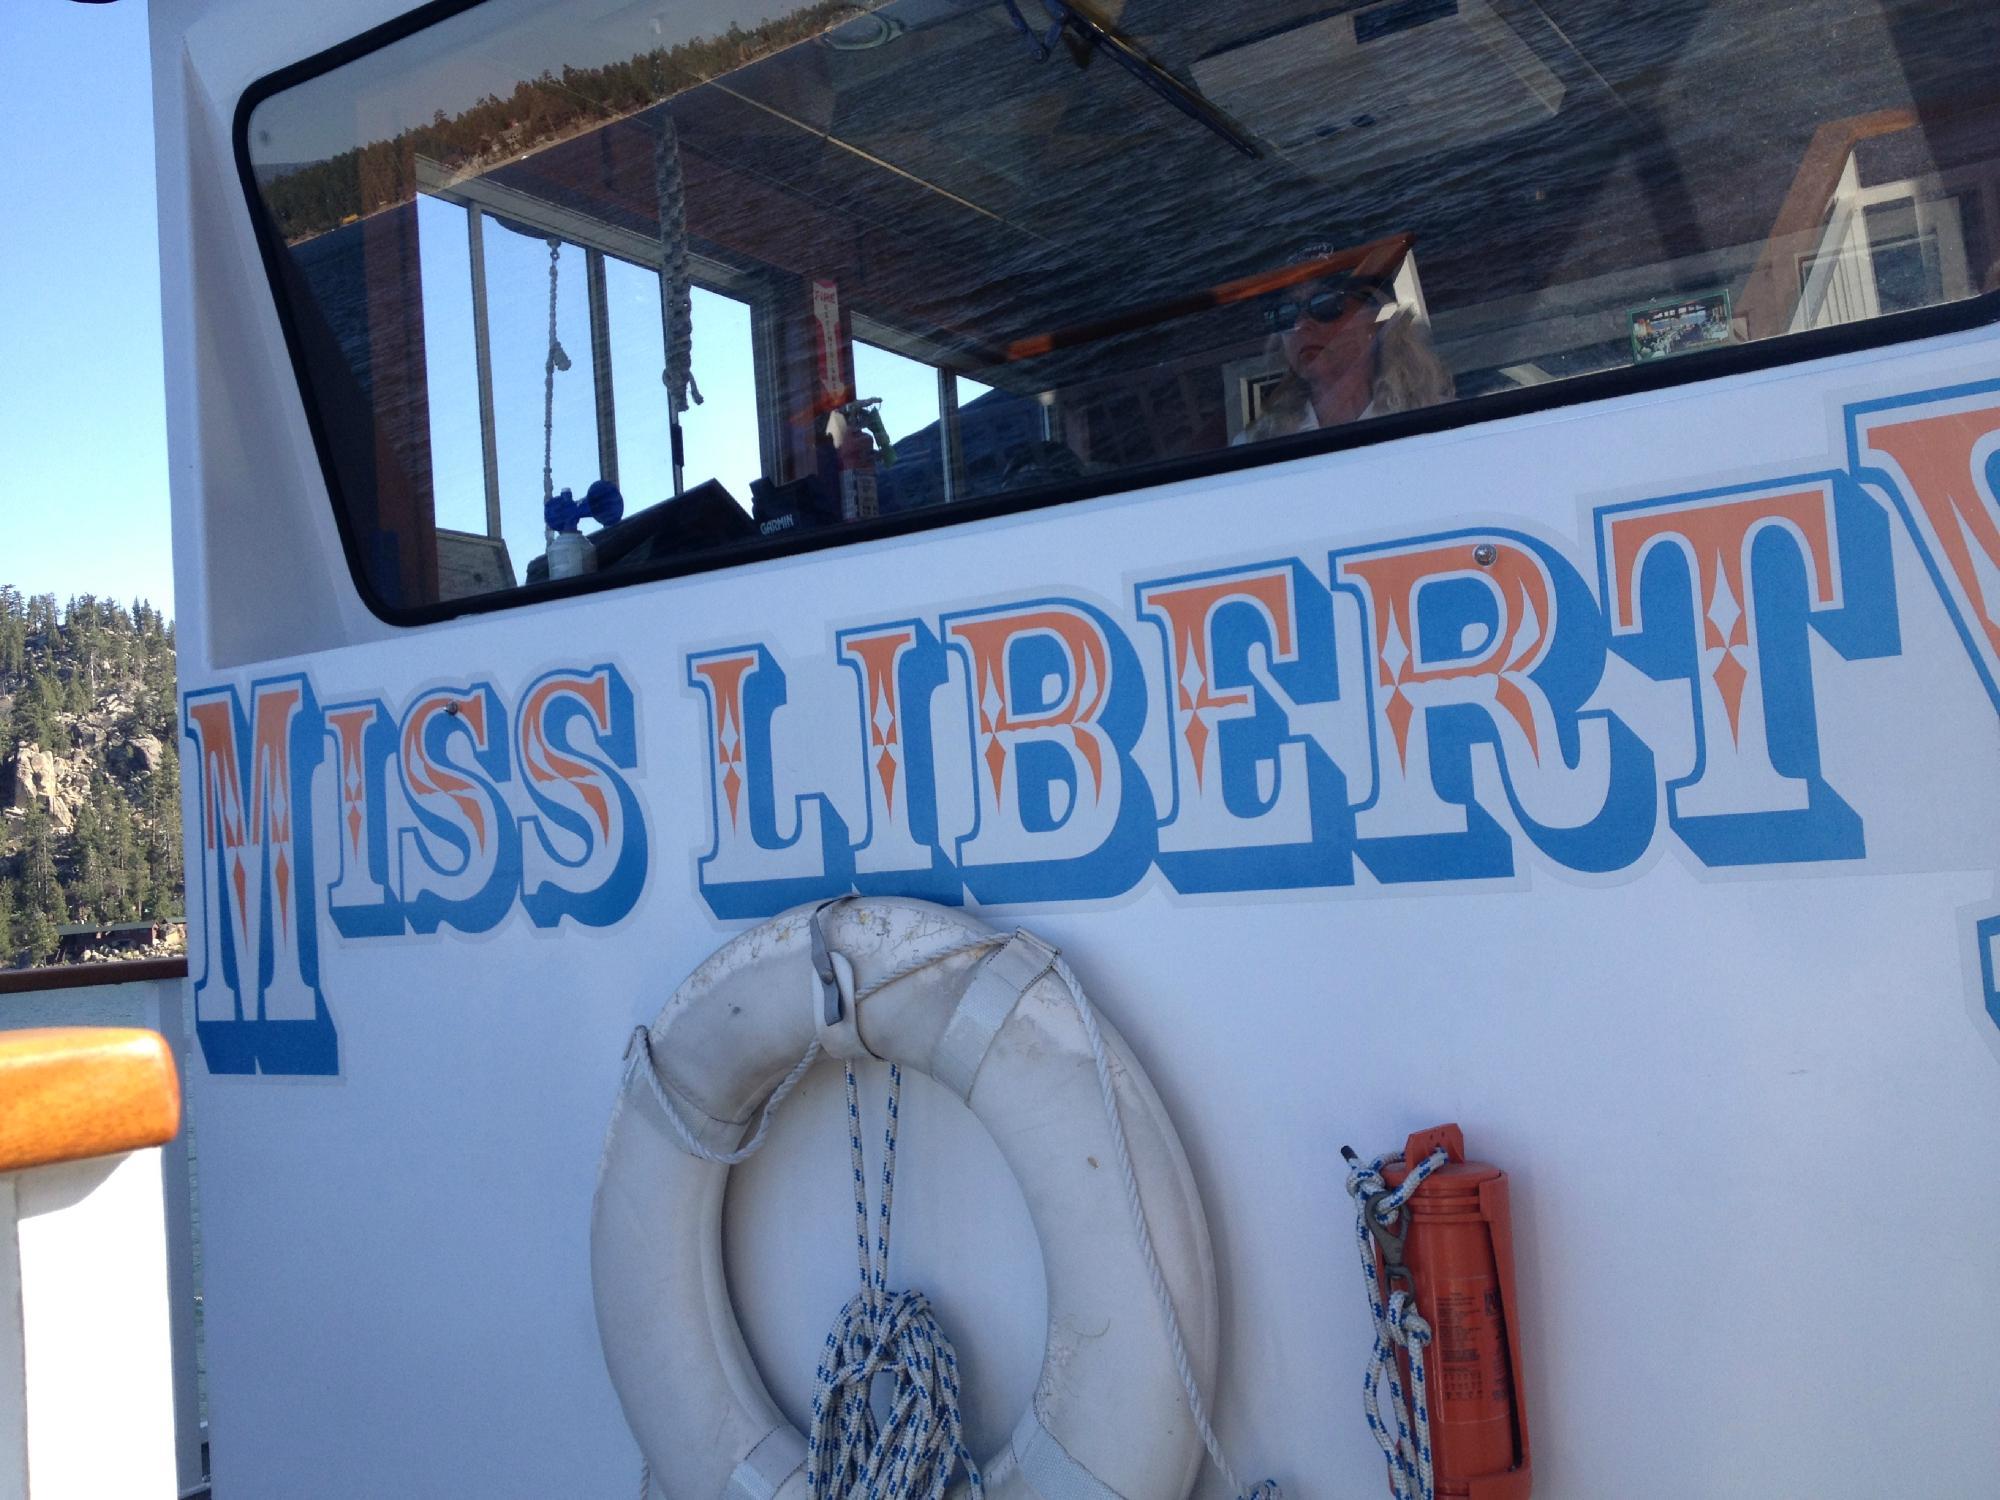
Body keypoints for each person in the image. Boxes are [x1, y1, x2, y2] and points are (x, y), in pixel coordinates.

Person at [1238, 248, 1454, 443]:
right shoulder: (1254, 446)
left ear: (1376, 319)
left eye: (1325, 303)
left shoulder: (1443, 424)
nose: (1300, 324)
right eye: (1285, 313)